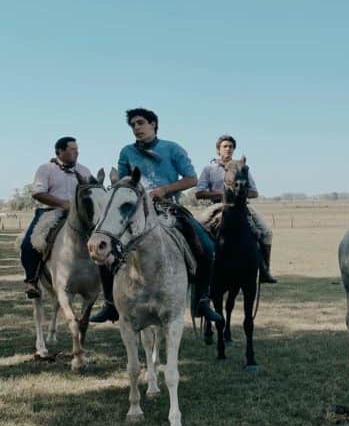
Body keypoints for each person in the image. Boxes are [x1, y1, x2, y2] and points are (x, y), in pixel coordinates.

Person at [91, 108, 222, 323]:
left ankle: (202, 301)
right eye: (132, 125)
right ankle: (110, 304)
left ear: (153, 124)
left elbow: (191, 179)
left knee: (206, 246)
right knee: (106, 243)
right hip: (135, 212)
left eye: (140, 123)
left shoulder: (172, 148)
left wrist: (164, 190)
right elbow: (124, 183)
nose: (136, 128)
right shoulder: (126, 152)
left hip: (168, 207)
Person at [195, 134, 277, 283]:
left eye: (231, 147)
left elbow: (254, 192)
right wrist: (223, 193)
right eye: (225, 146)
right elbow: (199, 193)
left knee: (266, 232)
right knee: (196, 228)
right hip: (217, 205)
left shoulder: (241, 167)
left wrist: (241, 194)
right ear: (218, 150)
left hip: (241, 206)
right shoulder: (209, 168)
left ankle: (264, 269)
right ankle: (197, 267)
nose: (228, 149)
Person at [20, 137, 94, 298]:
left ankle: (105, 286)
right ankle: (31, 281)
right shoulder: (46, 169)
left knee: (103, 237)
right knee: (29, 244)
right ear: (60, 151)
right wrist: (63, 204)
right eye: (72, 149)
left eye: (77, 149)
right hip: (49, 213)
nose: (77, 152)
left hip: (79, 214)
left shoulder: (85, 171)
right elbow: (38, 193)